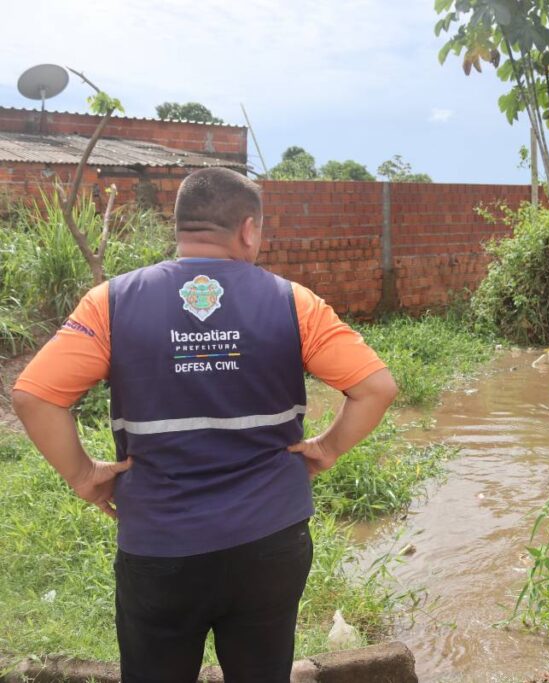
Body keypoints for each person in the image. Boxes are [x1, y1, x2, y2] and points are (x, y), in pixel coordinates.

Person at [12, 167, 398, 682]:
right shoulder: (294, 302)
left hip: (159, 545)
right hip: (270, 542)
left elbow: (34, 397)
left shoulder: (111, 302)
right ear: (247, 229)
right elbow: (377, 388)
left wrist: (84, 476)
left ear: (181, 227)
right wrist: (326, 449)